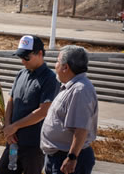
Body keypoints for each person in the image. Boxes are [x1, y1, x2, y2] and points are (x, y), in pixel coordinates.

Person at [0, 35, 60, 174]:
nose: (22, 61)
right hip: (13, 141)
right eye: (21, 57)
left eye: (26, 57)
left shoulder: (50, 79)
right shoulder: (21, 74)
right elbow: (11, 101)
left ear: (40, 54)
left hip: (33, 145)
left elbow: (43, 111)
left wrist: (14, 126)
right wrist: (8, 127)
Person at [40, 45, 98, 174]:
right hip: (58, 156)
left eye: (57, 61)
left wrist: (72, 157)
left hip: (67, 158)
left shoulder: (80, 90)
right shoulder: (70, 86)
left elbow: (81, 129)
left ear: (65, 67)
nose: (55, 65)